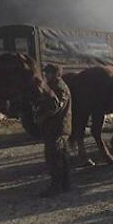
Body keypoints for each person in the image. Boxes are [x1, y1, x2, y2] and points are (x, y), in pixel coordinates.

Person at [36, 64, 72, 197]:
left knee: (54, 156)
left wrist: (42, 116)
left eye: (49, 73)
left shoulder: (59, 87)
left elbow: (56, 107)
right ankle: (65, 184)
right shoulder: (54, 86)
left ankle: (56, 185)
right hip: (57, 127)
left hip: (57, 128)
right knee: (62, 156)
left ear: (56, 74)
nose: (46, 75)